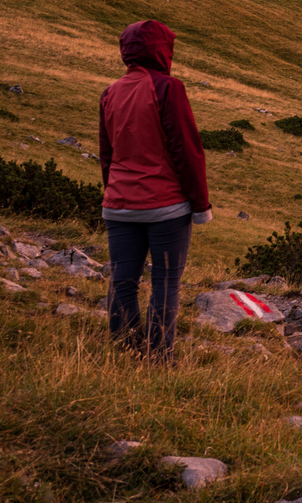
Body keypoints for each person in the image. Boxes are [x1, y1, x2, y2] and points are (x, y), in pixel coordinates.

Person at [98, 19, 212, 361]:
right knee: (165, 284)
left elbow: (108, 156)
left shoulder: (110, 92)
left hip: (118, 205)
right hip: (166, 208)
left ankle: (124, 353)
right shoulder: (167, 88)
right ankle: (159, 359)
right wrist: (200, 204)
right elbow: (186, 150)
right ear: (161, 49)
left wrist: (117, 195)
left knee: (123, 282)